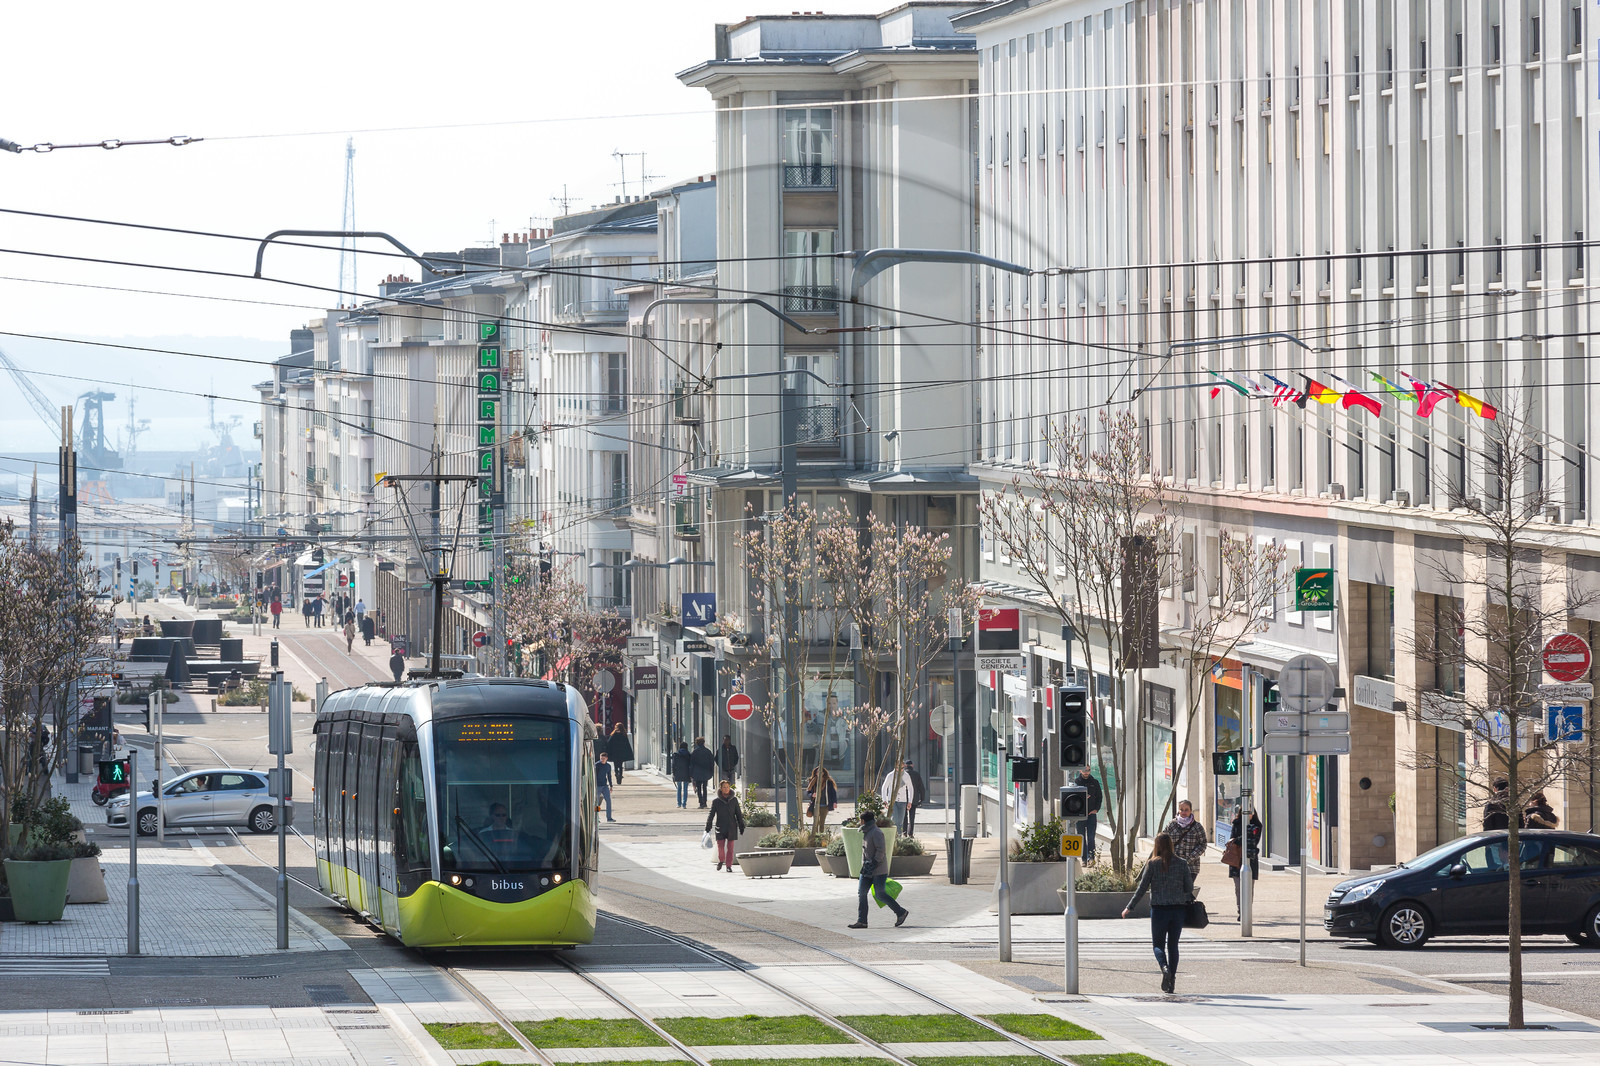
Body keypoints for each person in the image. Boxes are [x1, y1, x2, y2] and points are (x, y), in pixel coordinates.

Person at [1123, 832, 1194, 994]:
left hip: (1159, 910)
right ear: (1171, 845)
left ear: (1157, 846)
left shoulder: (1152, 864)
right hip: (1178, 910)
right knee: (1173, 945)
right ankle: (1172, 980)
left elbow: (1142, 889)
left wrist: (1129, 907)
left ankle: (1164, 967)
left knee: (1158, 945)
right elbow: (1189, 888)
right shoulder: (1182, 864)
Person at [848, 807, 909, 929]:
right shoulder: (866, 831)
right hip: (866, 870)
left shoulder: (876, 832)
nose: (860, 823)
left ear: (864, 821)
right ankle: (862, 921)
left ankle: (900, 912)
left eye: (861, 820)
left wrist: (874, 863)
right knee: (862, 893)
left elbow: (881, 850)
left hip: (878, 870)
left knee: (880, 894)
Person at [1164, 799, 1209, 886]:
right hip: (1173, 865)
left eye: (1186, 810)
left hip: (1191, 866)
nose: (1184, 812)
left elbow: (1203, 844)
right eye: (1181, 809)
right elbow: (1163, 840)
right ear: (1178, 810)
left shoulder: (1197, 827)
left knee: (1186, 890)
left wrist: (1190, 858)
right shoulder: (1172, 824)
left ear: (1191, 811)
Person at [1228, 807, 1263, 919]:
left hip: (1250, 859)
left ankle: (1246, 910)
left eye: (1250, 812)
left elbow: (1254, 840)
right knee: (1238, 887)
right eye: (1245, 812)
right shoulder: (1236, 823)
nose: (1248, 815)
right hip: (1236, 859)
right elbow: (1232, 840)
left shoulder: (1257, 826)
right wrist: (1245, 836)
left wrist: (1240, 838)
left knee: (1249, 887)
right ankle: (1241, 911)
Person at [707, 779, 745, 872]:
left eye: (727, 787)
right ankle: (721, 860)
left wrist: (741, 825)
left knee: (730, 848)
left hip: (731, 827)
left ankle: (729, 866)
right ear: (721, 788)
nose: (726, 789)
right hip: (720, 827)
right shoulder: (716, 801)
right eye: (724, 787)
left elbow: (738, 814)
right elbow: (711, 814)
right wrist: (708, 825)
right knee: (720, 846)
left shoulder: (734, 800)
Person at [1076, 766, 1104, 863]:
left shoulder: (1094, 782)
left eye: (1088, 770)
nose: (1086, 772)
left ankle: (1091, 858)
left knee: (1091, 837)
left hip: (1091, 814)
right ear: (1080, 771)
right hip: (1080, 815)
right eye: (1084, 770)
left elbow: (1099, 797)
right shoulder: (1076, 782)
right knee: (1082, 837)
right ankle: (1084, 859)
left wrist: (1096, 809)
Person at [879, 764, 913, 830]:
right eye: (898, 768)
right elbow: (884, 787)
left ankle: (898, 837)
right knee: (894, 820)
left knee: (900, 821)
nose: (900, 770)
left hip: (903, 800)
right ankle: (894, 837)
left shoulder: (906, 776)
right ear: (895, 767)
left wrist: (910, 801)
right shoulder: (890, 775)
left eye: (902, 768)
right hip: (892, 800)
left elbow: (910, 788)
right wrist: (884, 800)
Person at [689, 736, 715, 808]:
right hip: (705, 772)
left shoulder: (695, 752)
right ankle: (705, 802)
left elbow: (691, 763)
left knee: (699, 788)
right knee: (705, 788)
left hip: (697, 773)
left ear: (697, 743)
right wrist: (711, 772)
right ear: (703, 743)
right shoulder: (708, 751)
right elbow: (711, 762)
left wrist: (691, 773)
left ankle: (701, 802)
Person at [904, 760, 926, 837]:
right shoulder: (916, 774)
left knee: (904, 816)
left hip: (904, 798)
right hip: (914, 798)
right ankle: (910, 833)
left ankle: (904, 832)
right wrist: (922, 798)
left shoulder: (903, 774)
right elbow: (921, 788)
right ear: (912, 765)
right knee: (912, 817)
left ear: (905, 766)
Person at [671, 741, 693, 808]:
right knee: (685, 789)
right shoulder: (689, 755)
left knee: (679, 788)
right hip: (686, 773)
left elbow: (673, 765)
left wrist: (673, 773)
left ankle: (679, 803)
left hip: (678, 772)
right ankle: (684, 804)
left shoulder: (676, 754)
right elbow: (691, 765)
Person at [596, 752, 615, 822]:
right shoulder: (597, 765)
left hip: (604, 786)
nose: (602, 760)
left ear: (606, 758)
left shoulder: (608, 766)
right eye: (601, 758)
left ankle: (609, 818)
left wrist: (611, 785)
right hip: (597, 786)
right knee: (596, 803)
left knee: (608, 801)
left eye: (603, 758)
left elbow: (609, 776)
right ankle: (596, 818)